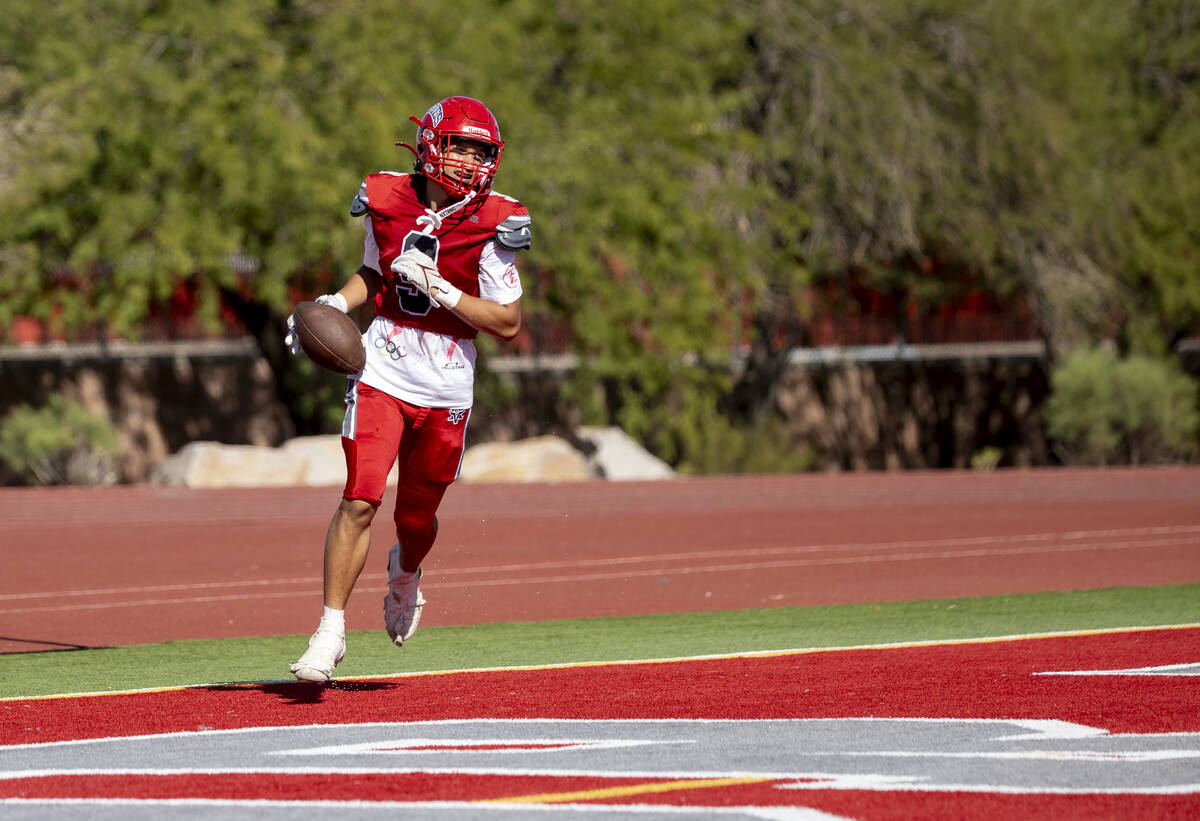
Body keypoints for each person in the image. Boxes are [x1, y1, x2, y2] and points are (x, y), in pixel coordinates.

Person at [283, 96, 531, 682]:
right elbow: (372, 272)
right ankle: (330, 630)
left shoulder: (497, 219)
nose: (470, 161)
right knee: (360, 496)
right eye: (460, 146)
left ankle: (406, 571)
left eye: (480, 151)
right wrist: (331, 304)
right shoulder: (387, 197)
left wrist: (444, 291)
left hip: (448, 379)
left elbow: (508, 323)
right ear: (427, 145)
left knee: (416, 518)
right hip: (385, 363)